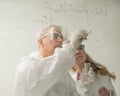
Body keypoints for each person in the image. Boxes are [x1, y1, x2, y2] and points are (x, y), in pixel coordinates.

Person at [14, 25, 88, 96]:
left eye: (62, 37)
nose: (60, 40)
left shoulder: (63, 74)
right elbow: (38, 84)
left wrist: (84, 85)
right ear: (41, 42)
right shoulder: (27, 64)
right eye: (55, 36)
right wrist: (71, 46)